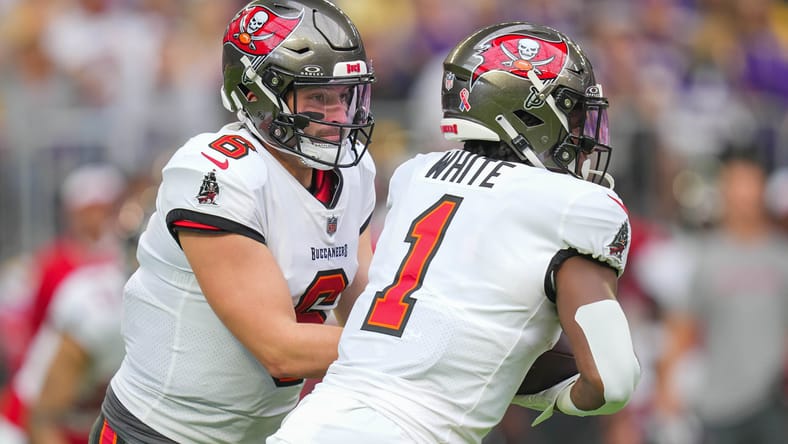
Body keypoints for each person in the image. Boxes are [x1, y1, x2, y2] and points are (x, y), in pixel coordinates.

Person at [269, 21, 641, 444]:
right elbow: (613, 381)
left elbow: (453, 330)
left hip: (312, 423)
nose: (584, 139)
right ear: (529, 115)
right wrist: (561, 397)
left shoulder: (417, 176)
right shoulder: (573, 205)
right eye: (573, 117)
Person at [87, 0, 376, 443]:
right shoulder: (218, 173)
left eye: (345, 96)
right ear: (258, 94)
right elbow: (279, 348)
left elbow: (366, 309)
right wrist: (416, 345)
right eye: (318, 97)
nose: (338, 116)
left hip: (263, 433)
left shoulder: (353, 172)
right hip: (158, 433)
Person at [654, 148, 788, 444]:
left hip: (773, 403)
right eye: (736, 184)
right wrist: (666, 387)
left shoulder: (781, 257)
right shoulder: (706, 256)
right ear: (724, 190)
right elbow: (682, 325)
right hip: (718, 405)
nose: (743, 195)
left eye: (750, 184)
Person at [0, 163, 126, 444]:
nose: (96, 218)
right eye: (88, 210)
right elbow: (38, 331)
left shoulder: (123, 262)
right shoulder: (53, 266)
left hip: (92, 400)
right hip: (50, 396)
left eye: (103, 208)